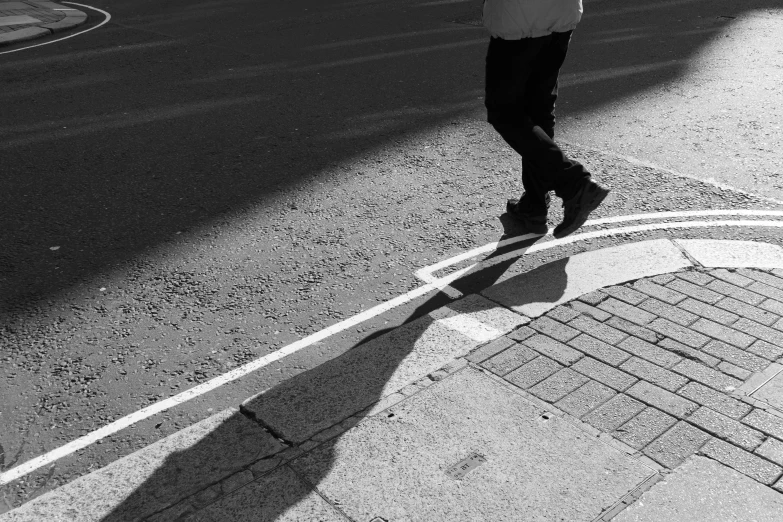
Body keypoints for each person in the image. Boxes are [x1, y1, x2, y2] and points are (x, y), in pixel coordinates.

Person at [483, 0, 609, 238]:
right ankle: (534, 205)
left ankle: (573, 180)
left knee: (504, 112)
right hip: (562, 13)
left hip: (519, 18)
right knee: (538, 109)